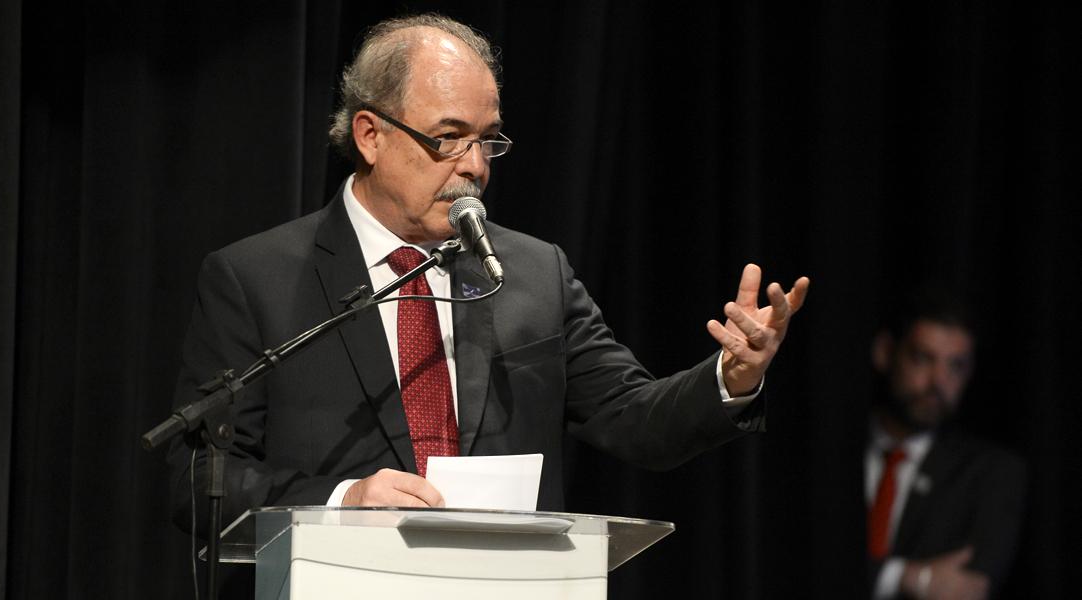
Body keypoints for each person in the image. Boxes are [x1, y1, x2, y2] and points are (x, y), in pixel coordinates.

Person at [170, 14, 809, 525]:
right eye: (449, 137)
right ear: (370, 135)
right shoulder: (258, 278)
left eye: (488, 139)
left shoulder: (533, 272)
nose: (475, 165)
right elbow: (201, 481)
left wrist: (730, 378)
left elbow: (634, 418)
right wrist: (343, 501)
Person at [865, 292, 1025, 599]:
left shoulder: (993, 473)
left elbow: (968, 585)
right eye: (923, 358)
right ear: (886, 352)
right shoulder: (826, 454)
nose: (938, 381)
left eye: (955, 366)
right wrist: (908, 578)